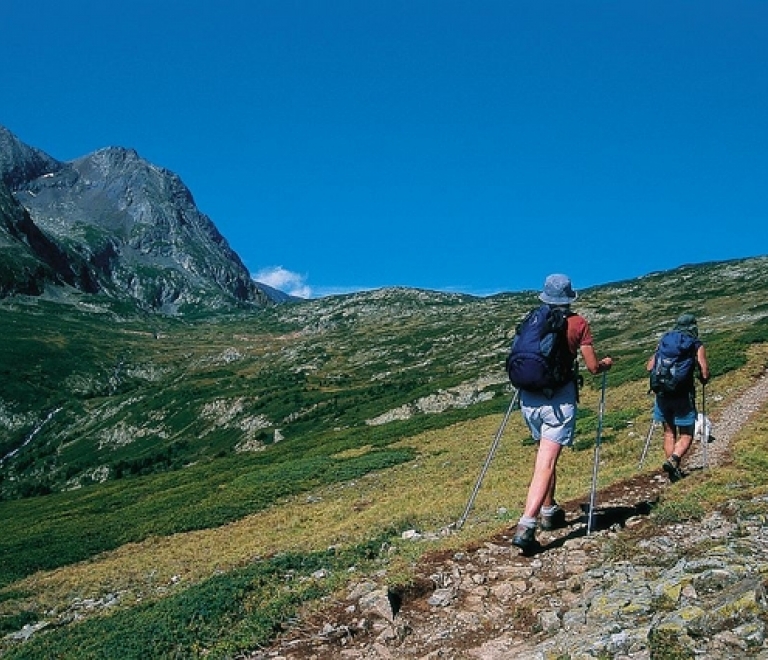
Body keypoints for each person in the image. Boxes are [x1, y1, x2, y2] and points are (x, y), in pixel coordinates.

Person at [511, 274, 613, 552]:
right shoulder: (578, 323)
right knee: (546, 462)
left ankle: (549, 511)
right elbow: (592, 367)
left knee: (544, 457)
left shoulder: (533, 319)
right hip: (558, 400)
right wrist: (605, 364)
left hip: (529, 399)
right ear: (570, 297)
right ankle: (527, 525)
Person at [646, 313, 710, 482]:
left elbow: (649, 367)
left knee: (668, 433)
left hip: (662, 394)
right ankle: (674, 459)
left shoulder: (665, 340)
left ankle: (673, 470)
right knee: (687, 434)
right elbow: (704, 371)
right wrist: (703, 378)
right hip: (683, 395)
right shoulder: (696, 344)